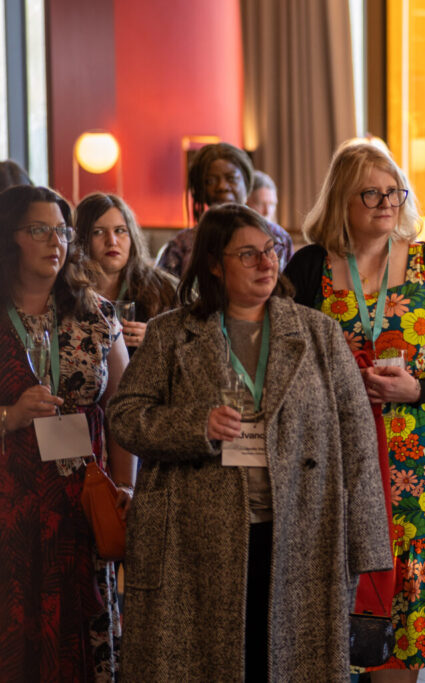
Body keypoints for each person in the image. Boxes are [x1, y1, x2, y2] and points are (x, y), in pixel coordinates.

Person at [108, 204, 391, 681]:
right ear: (215, 263)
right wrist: (196, 427)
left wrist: (367, 549)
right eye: (248, 255)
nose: (266, 264)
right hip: (195, 540)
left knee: (284, 662)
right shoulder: (171, 334)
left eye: (270, 251)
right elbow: (125, 417)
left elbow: (358, 437)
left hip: (302, 531)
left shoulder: (318, 333)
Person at [285, 140, 425, 680]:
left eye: (393, 191)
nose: (385, 203)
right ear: (341, 201)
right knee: (336, 590)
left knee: (406, 620)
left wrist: (416, 389)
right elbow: (283, 360)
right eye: (370, 193)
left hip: (422, 469)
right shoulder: (307, 268)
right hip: (338, 459)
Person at [0, 184, 135, 680]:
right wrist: (10, 417)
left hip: (82, 504)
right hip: (9, 507)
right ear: (8, 237)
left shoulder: (97, 315)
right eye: (39, 230)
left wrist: (127, 486)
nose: (54, 241)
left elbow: (122, 410)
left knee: (81, 630)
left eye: (60, 230)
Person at [157, 142, 293, 277]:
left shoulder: (277, 238)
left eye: (231, 178)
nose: (222, 187)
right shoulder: (180, 246)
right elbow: (167, 295)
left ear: (246, 182)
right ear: (198, 190)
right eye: (210, 181)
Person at [74, 193, 179, 353]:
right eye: (98, 232)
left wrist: (160, 339)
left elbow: (196, 342)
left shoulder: (164, 289)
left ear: (132, 237)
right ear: (81, 239)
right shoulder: (68, 290)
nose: (112, 241)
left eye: (120, 230)